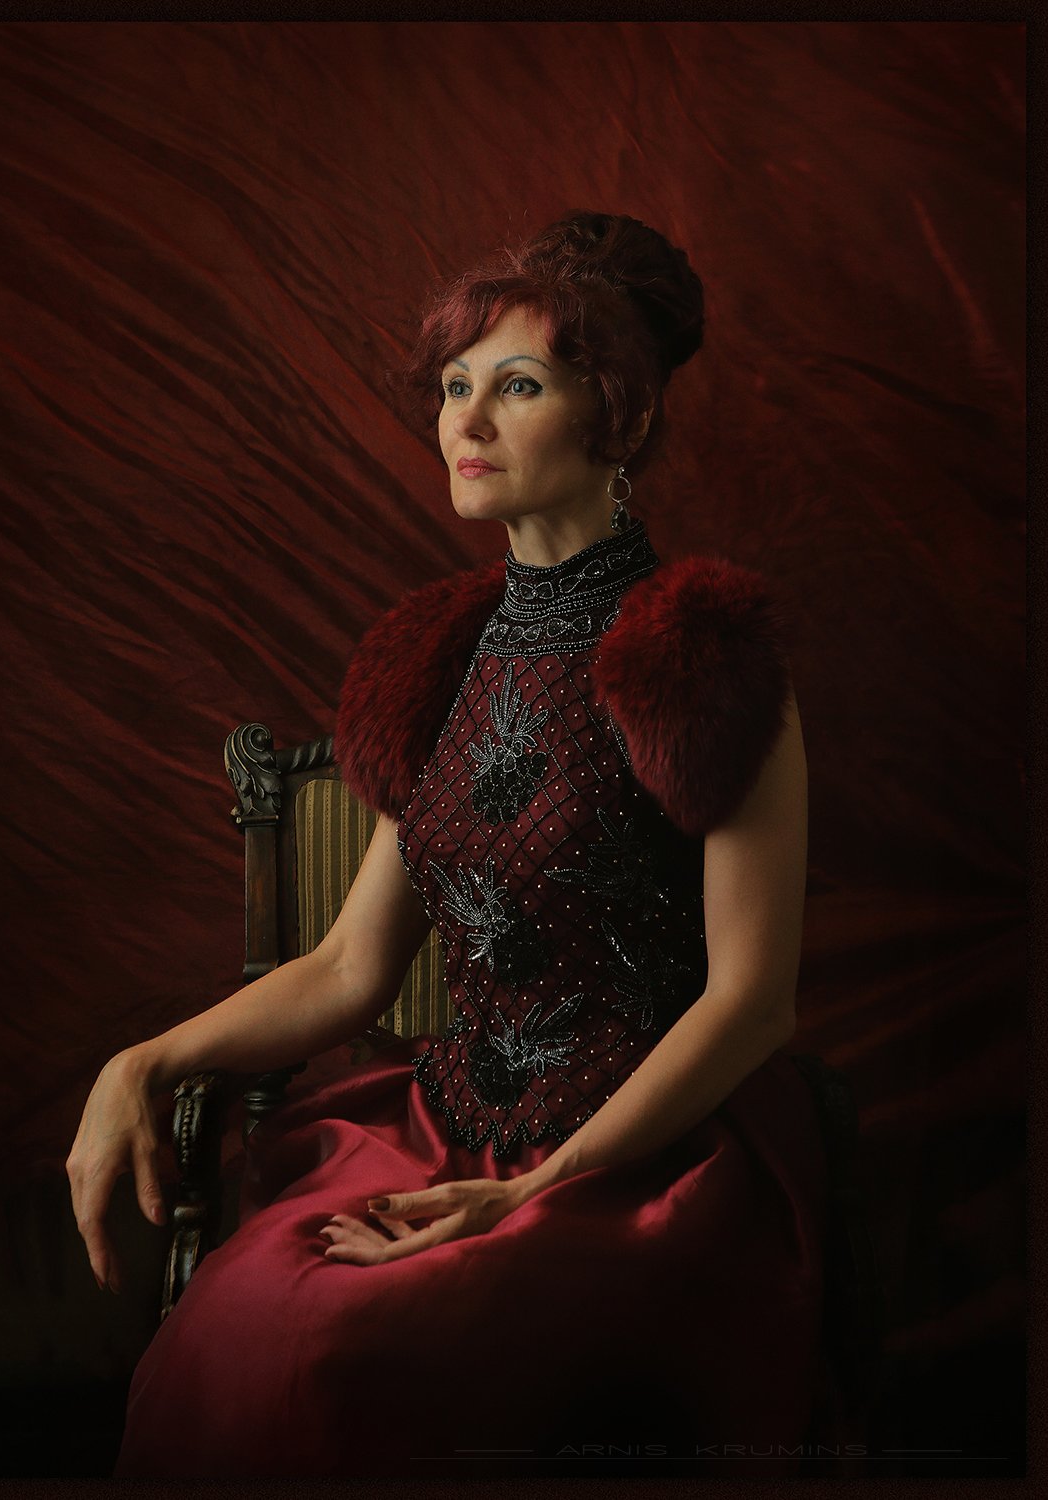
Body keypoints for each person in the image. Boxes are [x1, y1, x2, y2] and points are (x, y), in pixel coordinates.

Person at [67, 211, 829, 1478]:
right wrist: (139, 1063)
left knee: (338, 1356)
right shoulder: (437, 654)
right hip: (446, 1127)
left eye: (515, 386)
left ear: (618, 419)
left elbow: (752, 1004)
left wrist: (528, 1192)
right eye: (453, 386)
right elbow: (346, 969)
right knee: (242, 1328)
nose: (463, 420)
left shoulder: (701, 654)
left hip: (642, 1163)